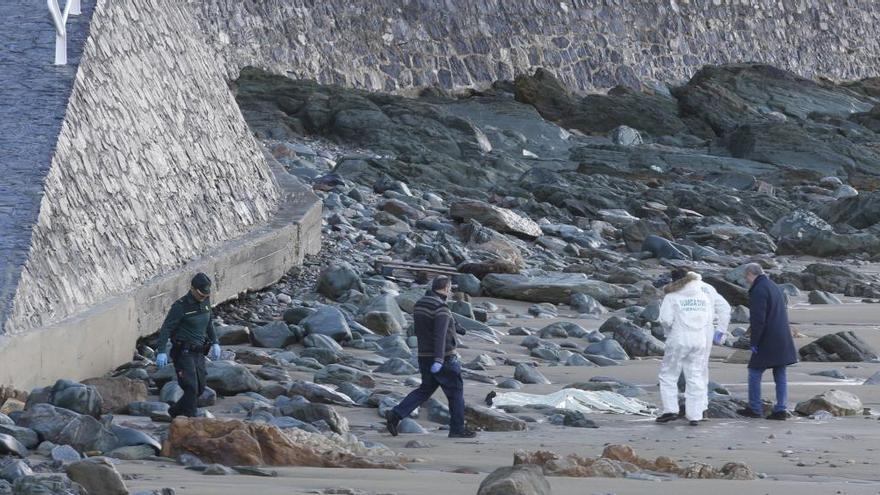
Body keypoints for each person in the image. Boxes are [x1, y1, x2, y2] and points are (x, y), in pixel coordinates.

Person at [386, 276, 476, 438]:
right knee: (455, 392)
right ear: (446, 289)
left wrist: (455, 326)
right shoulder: (441, 308)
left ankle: (395, 414)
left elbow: (430, 324)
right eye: (450, 289)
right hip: (444, 357)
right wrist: (440, 360)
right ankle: (457, 429)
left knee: (425, 390)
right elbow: (440, 335)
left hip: (424, 356)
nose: (450, 292)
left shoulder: (421, 304)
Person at [656, 267, 731, 426]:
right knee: (696, 375)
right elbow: (716, 313)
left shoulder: (672, 296)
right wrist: (720, 331)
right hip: (700, 339)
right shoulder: (704, 294)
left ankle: (670, 410)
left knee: (669, 374)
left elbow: (665, 320)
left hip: (679, 338)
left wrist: (669, 332)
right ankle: (695, 414)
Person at [155, 273, 222, 418]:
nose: (203, 297)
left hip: (199, 352)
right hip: (183, 353)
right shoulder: (180, 306)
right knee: (190, 387)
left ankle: (175, 411)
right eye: (200, 294)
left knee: (200, 388)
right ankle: (192, 419)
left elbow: (209, 323)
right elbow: (166, 328)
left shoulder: (206, 301)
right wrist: (161, 351)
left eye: (206, 294)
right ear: (192, 288)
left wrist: (215, 342)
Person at [736, 263, 797, 420]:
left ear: (751, 274)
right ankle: (781, 408)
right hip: (782, 335)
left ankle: (755, 408)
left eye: (746, 276)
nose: (746, 280)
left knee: (754, 372)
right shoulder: (773, 286)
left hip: (768, 337)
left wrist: (754, 342)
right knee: (780, 372)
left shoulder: (758, 290)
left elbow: (758, 319)